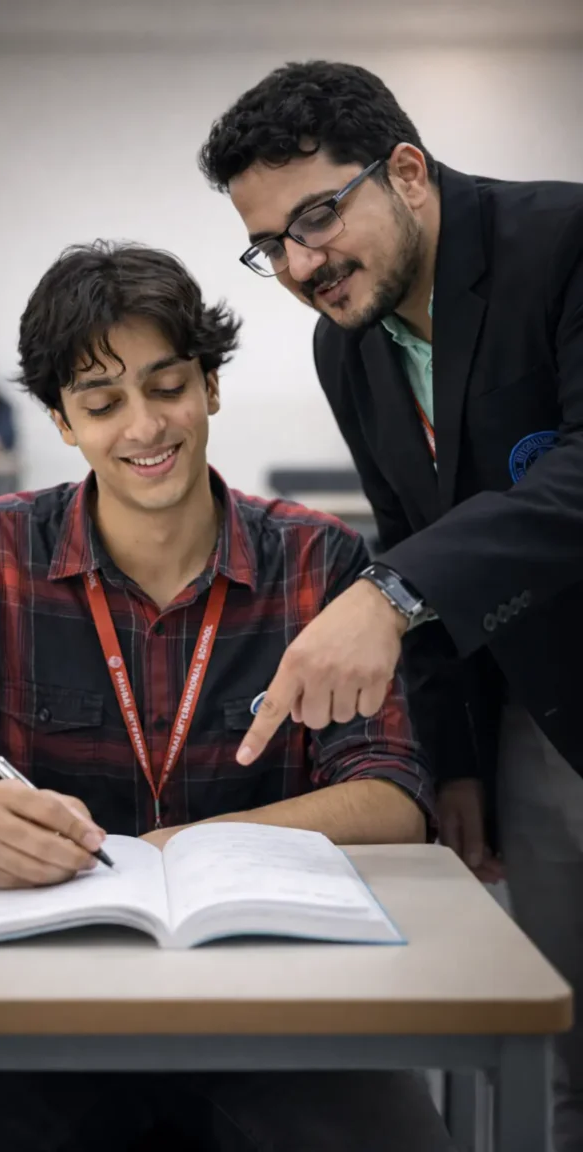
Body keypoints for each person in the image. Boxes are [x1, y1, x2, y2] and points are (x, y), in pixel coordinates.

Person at [0, 242, 454, 1152]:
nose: (145, 427)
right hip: (34, 1005)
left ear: (211, 388)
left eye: (168, 387)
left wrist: (176, 848)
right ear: (61, 419)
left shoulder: (318, 561)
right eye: (102, 402)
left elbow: (394, 795)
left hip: (286, 1002)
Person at [199, 59, 583, 1150]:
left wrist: (391, 593)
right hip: (538, 719)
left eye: (316, 217)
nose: (299, 263)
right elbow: (409, 533)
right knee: (562, 1043)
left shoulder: (561, 244)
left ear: (405, 171)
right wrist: (456, 759)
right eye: (268, 243)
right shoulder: (348, 344)